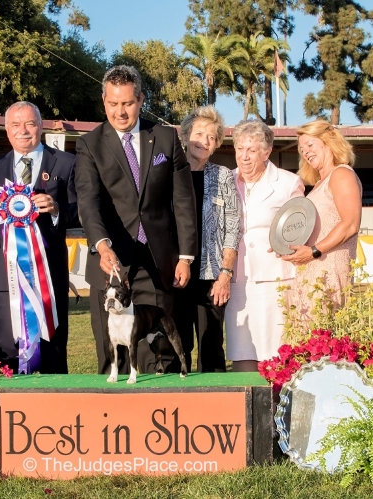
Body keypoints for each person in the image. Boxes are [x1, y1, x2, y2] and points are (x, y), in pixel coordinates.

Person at [74, 65, 198, 375]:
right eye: (113, 104)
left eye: (128, 103)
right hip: (112, 264)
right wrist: (102, 246)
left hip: (160, 261)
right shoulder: (90, 144)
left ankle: (167, 417)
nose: (120, 112)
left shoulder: (166, 138)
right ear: (104, 101)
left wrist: (185, 256)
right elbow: (89, 201)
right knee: (112, 351)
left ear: (141, 99)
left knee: (161, 351)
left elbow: (183, 200)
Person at [0, 101, 77, 374]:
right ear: (6, 130)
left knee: (54, 351)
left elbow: (81, 212)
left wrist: (57, 209)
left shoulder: (67, 162)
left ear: (41, 126)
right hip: (5, 275)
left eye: (30, 124)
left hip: (49, 272)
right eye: (15, 125)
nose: (23, 131)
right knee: (6, 353)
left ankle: (56, 414)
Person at [226, 120, 304, 372]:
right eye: (239, 149)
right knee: (242, 351)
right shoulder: (225, 179)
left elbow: (301, 227)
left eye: (251, 150)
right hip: (237, 280)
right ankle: (246, 408)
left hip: (275, 280)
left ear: (267, 152)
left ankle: (278, 408)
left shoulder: (288, 183)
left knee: (276, 354)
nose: (244, 157)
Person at [170, 106, 240, 373]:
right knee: (178, 344)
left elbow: (232, 227)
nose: (204, 141)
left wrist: (225, 274)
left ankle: (215, 408)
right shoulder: (169, 173)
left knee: (211, 345)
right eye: (199, 134)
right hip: (176, 273)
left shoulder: (222, 176)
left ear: (216, 144)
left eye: (211, 137)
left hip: (212, 275)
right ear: (186, 137)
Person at [281, 120, 362, 323]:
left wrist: (314, 251)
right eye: (301, 149)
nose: (305, 152)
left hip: (331, 270)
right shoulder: (319, 183)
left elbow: (350, 224)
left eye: (310, 145)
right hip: (312, 269)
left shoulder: (341, 174)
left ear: (328, 141)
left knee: (326, 342)